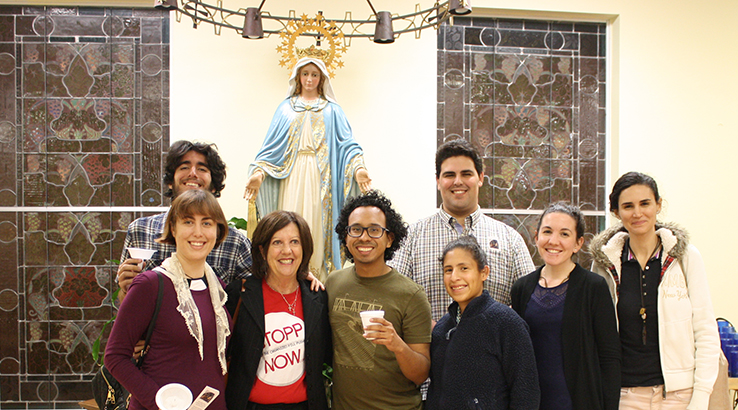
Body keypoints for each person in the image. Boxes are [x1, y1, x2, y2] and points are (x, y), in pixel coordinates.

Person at [589, 172, 720, 410]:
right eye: (627, 206)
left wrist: (700, 401)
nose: (637, 213)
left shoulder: (686, 257)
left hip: (677, 396)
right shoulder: (605, 263)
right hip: (626, 397)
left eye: (645, 203)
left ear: (658, 205)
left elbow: (706, 330)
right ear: (616, 212)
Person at [104, 189, 235, 410]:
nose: (198, 232)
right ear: (172, 228)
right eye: (188, 222)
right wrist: (157, 404)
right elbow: (115, 357)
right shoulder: (150, 284)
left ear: (217, 231)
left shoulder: (217, 286)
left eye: (207, 223)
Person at [510, 203, 621, 410]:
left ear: (578, 243)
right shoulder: (522, 288)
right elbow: (516, 358)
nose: (554, 241)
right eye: (547, 232)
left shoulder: (593, 288)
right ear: (535, 236)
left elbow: (610, 358)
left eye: (564, 234)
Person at [325, 190, 432, 410]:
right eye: (355, 229)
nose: (364, 237)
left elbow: (421, 373)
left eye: (374, 230)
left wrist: (398, 345)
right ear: (346, 236)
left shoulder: (410, 294)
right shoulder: (333, 284)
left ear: (390, 238)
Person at [225, 210, 332, 410]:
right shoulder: (241, 292)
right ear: (262, 249)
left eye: (294, 242)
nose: (287, 251)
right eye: (277, 242)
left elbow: (325, 355)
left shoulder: (316, 297)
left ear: (304, 248)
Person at [423, 235, 540, 410]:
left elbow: (526, 392)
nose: (455, 277)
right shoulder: (442, 329)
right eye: (448, 270)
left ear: (483, 272)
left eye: (464, 268)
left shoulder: (506, 323)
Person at [244, 55, 372, 279]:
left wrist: (358, 169)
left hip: (320, 176)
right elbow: (271, 148)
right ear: (298, 77)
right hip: (290, 176)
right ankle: (287, 274)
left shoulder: (332, 110)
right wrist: (259, 172)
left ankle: (317, 274)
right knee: (288, 220)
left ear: (321, 79)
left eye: (314, 74)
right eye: (305, 74)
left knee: (317, 223)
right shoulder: (285, 109)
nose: (309, 79)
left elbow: (348, 145)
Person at [390, 138, 534, 322]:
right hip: (429, 349)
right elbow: (393, 298)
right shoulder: (411, 237)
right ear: (438, 181)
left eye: (466, 174)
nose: (458, 182)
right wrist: (425, 329)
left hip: (492, 349)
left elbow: (530, 302)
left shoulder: (510, 239)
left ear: (480, 178)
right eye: (449, 175)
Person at [118, 140, 252, 303]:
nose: (193, 173)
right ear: (170, 180)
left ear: (214, 185)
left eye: (202, 169)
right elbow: (124, 302)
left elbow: (250, 302)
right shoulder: (140, 231)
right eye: (184, 167)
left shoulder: (235, 243)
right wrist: (126, 288)